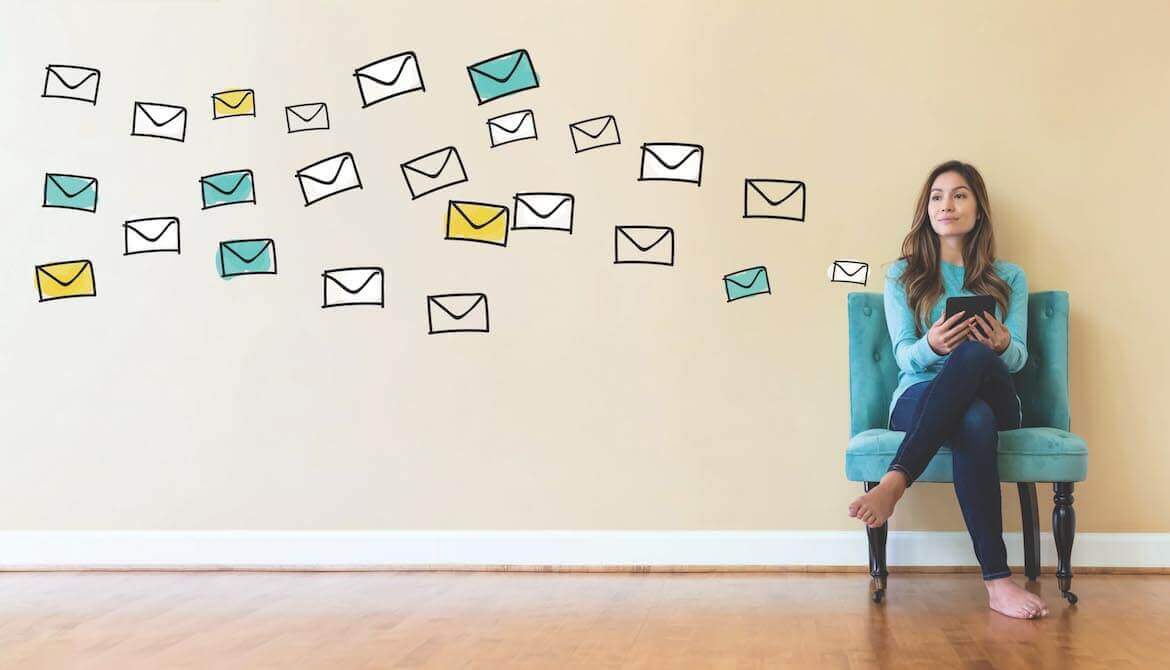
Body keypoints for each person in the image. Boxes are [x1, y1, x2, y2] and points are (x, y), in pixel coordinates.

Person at [847, 160, 1049, 619]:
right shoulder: (903, 275)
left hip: (999, 396)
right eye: (937, 196)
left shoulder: (1009, 277)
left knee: (976, 358)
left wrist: (1000, 344)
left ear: (978, 209)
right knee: (971, 417)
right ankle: (998, 583)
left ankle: (895, 481)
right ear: (926, 210)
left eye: (959, 195)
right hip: (919, 396)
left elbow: (1016, 356)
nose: (947, 205)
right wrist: (931, 344)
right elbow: (904, 357)